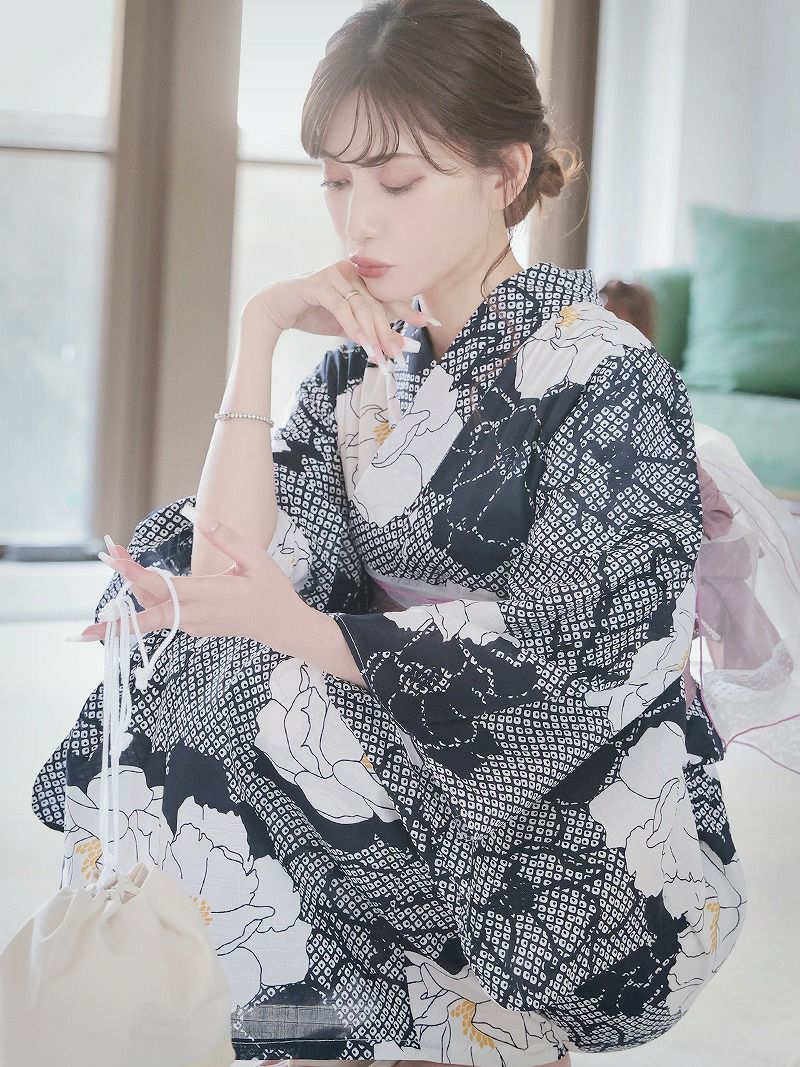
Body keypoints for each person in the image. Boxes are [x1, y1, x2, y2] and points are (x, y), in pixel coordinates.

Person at [31, 0, 758, 1063]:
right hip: (387, 760)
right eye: (336, 182)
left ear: (504, 173)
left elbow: (581, 666)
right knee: (182, 631)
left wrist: (302, 634)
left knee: (256, 686)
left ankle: (461, 1019)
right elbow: (232, 562)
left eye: (397, 182)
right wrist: (259, 333)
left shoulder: (610, 375)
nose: (357, 222)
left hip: (572, 825)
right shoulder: (356, 375)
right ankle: (341, 1021)